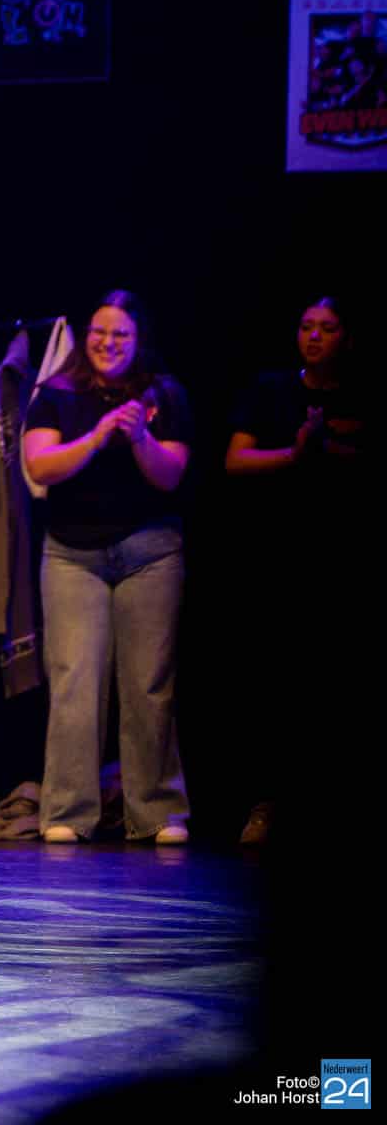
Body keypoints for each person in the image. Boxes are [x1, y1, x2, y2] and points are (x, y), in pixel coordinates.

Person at [24, 290, 192, 845]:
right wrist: (97, 437)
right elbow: (40, 466)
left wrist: (139, 435)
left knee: (148, 686)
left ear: (138, 340)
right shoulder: (56, 393)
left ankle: (157, 812)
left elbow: (170, 475)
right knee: (75, 682)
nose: (108, 342)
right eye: (99, 331)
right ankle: (68, 813)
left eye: (121, 334)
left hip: (149, 553)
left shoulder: (164, 394)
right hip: (73, 555)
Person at [223, 296, 358, 844]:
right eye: (306, 327)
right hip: (278, 562)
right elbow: (236, 459)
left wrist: (329, 448)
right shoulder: (272, 389)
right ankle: (266, 805)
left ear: (347, 336)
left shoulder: (359, 392)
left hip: (339, 561)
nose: (314, 336)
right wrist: (296, 455)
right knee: (275, 688)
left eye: (327, 327)